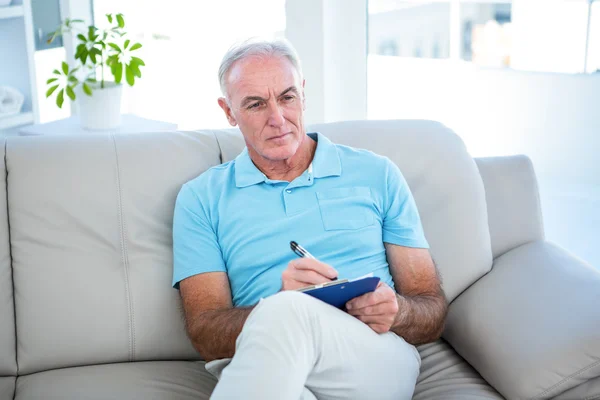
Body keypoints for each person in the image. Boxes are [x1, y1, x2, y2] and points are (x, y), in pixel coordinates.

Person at [172, 38, 448, 400]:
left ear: (302, 93)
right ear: (228, 112)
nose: (277, 118)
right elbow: (205, 332)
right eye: (255, 104)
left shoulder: (376, 173)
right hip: (265, 360)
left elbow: (431, 304)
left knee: (287, 313)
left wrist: (396, 312)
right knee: (285, 316)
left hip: (373, 356)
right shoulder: (201, 198)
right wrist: (281, 305)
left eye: (287, 97)